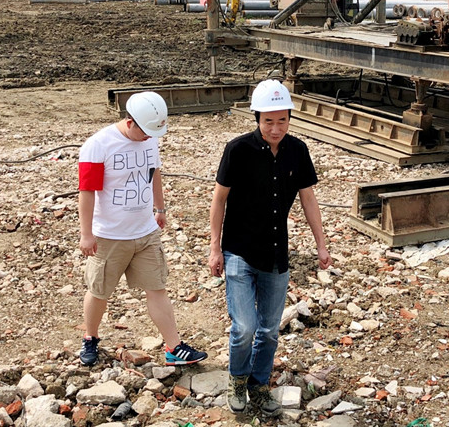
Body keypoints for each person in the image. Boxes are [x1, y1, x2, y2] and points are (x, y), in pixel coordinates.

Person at [209, 79, 332, 417]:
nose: (275, 129)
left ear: (290, 118)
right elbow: (219, 200)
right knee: (244, 327)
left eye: (282, 121)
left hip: (276, 254)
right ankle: (237, 380)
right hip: (238, 251)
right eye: (268, 121)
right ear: (257, 118)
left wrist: (321, 245)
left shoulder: (297, 151)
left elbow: (309, 200)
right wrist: (214, 248)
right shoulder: (237, 150)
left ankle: (259, 385)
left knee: (268, 330)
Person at [77, 91, 207, 368]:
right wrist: (86, 234)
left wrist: (160, 208)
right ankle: (90, 338)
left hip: (145, 232)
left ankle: (174, 347)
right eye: (145, 132)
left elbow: (154, 172)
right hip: (110, 236)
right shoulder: (98, 145)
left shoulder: (150, 139)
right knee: (99, 291)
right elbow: (87, 191)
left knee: (157, 288)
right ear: (129, 122)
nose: (149, 137)